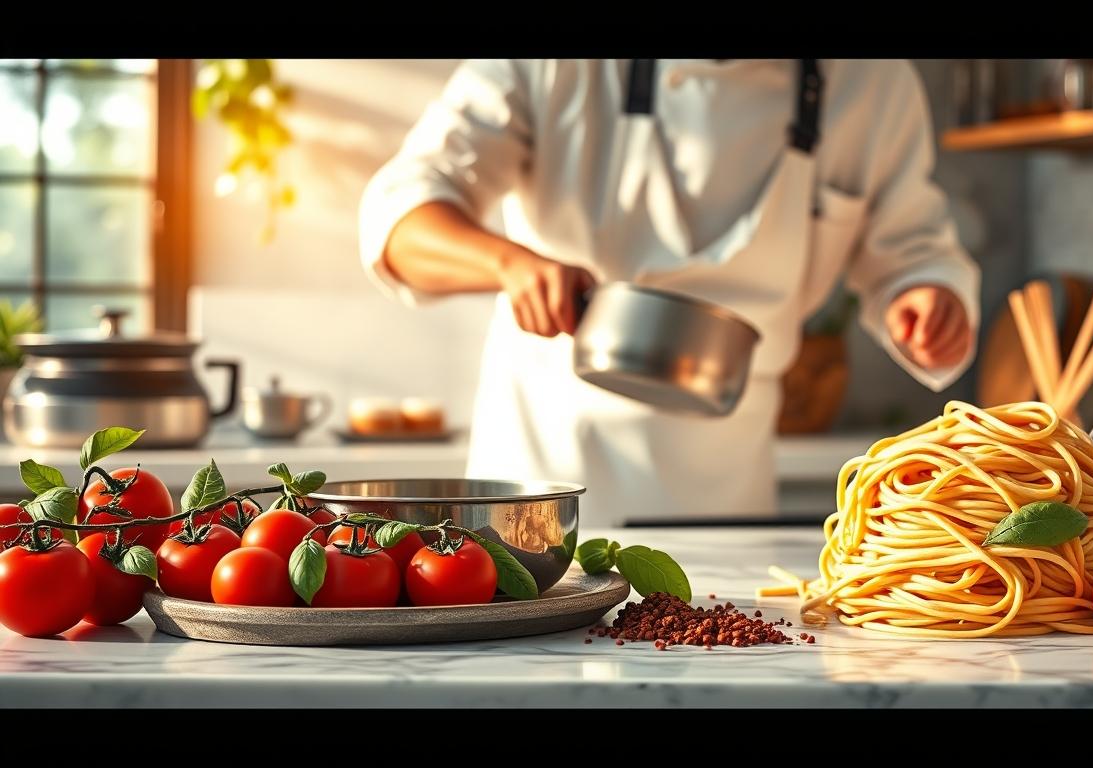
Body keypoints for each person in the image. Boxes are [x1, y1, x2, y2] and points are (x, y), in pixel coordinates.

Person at [359, 59, 980, 526]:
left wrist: (925, 296)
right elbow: (397, 219)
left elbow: (912, 249)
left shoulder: (870, 82)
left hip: (726, 484)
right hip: (541, 467)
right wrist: (509, 265)